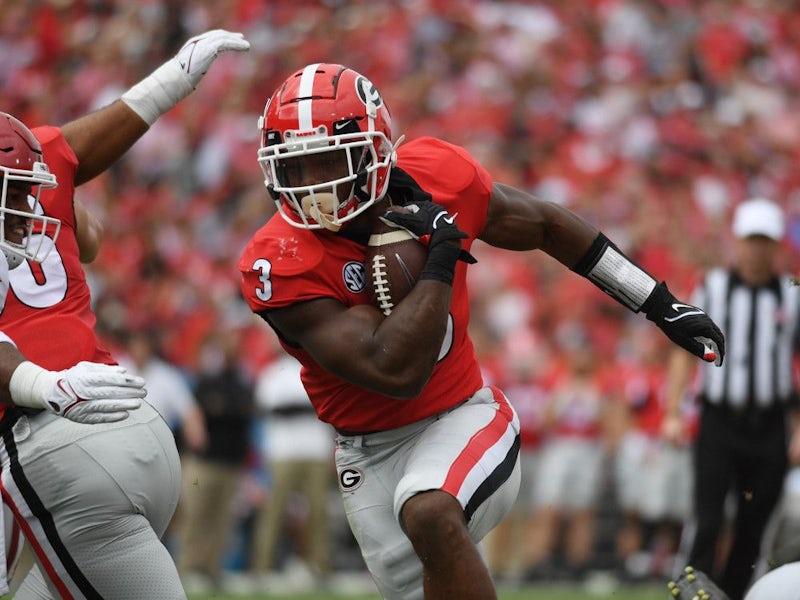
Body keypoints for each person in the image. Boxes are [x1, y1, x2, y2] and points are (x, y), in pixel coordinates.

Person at [238, 63, 725, 600]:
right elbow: (393, 370)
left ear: (373, 150)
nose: (312, 186)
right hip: (367, 454)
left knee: (430, 510)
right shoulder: (278, 258)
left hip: (463, 416)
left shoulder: (437, 174)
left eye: (327, 161)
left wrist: (659, 303)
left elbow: (546, 224)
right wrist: (441, 255)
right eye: (296, 166)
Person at [0, 29, 250, 599]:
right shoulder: (34, 165)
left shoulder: (28, 163)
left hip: (50, 441)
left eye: (22, 193)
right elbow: (86, 187)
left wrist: (47, 385)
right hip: (126, 425)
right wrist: (174, 78)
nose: (25, 210)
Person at [663, 197, 800, 600]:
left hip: (770, 424)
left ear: (776, 245)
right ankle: (691, 593)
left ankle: (736, 594)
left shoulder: (791, 295)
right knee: (706, 520)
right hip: (719, 421)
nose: (757, 250)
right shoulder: (712, 287)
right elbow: (683, 351)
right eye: (751, 240)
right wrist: (672, 411)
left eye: (764, 241)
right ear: (737, 242)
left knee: (755, 524)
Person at [177, 329, 255, 591]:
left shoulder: (242, 383)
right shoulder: (205, 382)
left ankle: (212, 571)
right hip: (204, 462)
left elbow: (242, 412)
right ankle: (188, 569)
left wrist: (222, 409)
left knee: (223, 522)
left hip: (231, 462)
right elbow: (206, 411)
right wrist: (225, 410)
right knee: (195, 516)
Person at [250, 351, 334, 588]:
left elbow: (327, 407)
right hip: (283, 451)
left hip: (316, 450)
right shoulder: (273, 372)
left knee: (318, 511)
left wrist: (301, 408)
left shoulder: (318, 367)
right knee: (274, 511)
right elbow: (270, 408)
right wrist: (308, 408)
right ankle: (262, 568)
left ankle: (321, 568)